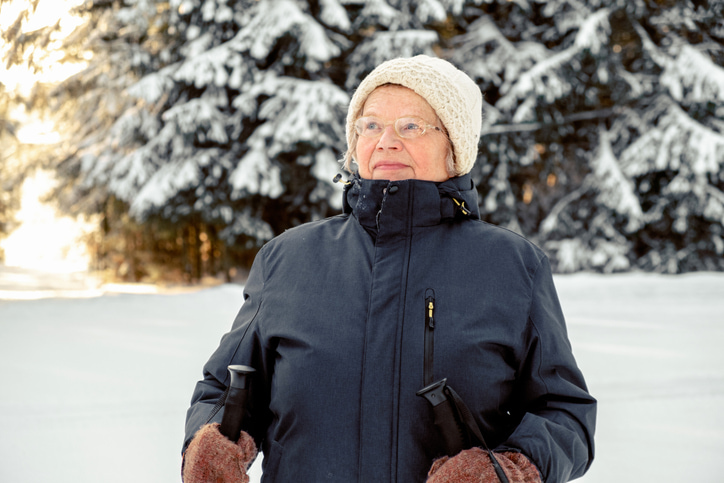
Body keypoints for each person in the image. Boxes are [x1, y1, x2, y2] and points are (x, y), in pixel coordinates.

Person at [182, 55, 596, 483]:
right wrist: (209, 440)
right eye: (370, 126)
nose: (386, 142)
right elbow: (224, 389)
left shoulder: (513, 265)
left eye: (411, 126)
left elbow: (566, 415)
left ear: (454, 148)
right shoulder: (287, 259)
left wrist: (510, 470)